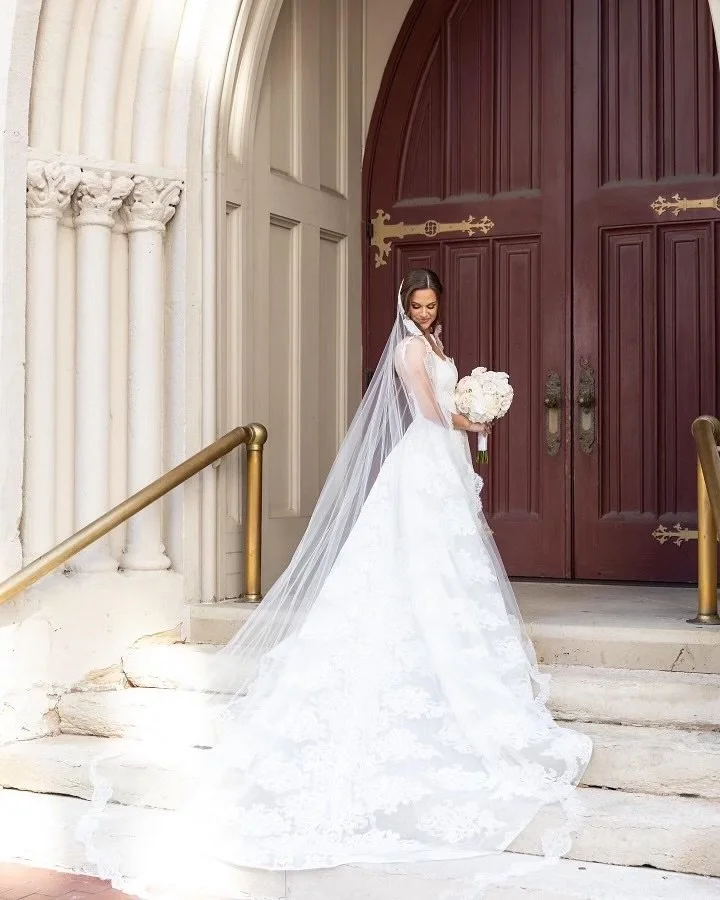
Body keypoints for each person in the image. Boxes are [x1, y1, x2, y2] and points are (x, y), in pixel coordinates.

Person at [80, 269, 592, 898]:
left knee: (449, 560)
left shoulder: (434, 347)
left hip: (445, 460)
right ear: (404, 307)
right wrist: (476, 416)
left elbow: (448, 403)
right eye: (418, 305)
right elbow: (430, 413)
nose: (427, 314)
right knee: (420, 555)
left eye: (433, 306)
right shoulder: (408, 351)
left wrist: (476, 412)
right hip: (426, 458)